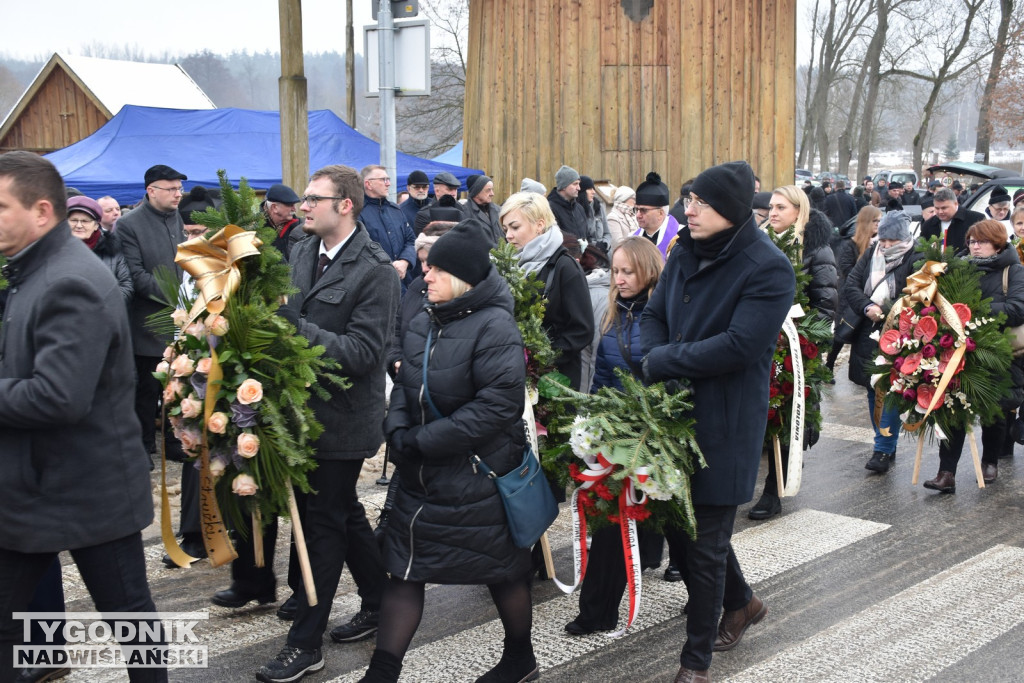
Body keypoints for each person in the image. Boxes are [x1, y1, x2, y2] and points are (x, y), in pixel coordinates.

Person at [0, 151, 165, 683]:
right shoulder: (33, 270)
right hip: (35, 486)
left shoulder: (68, 279)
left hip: (89, 488)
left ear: (41, 211)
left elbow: (57, 397)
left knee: (131, 621)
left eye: (1, 207)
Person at [358, 220, 536, 683]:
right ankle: (382, 673)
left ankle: (520, 659)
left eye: (435, 270)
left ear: (461, 278)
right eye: (424, 267)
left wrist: (422, 442)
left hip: (478, 476)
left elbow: (498, 406)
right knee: (405, 570)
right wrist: (396, 429)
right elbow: (406, 385)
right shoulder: (425, 319)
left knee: (501, 571)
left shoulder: (496, 325)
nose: (425, 277)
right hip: (421, 475)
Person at [640, 161, 794, 683]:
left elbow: (741, 345)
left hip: (722, 421)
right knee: (682, 533)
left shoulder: (768, 266)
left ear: (728, 208)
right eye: (688, 201)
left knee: (704, 546)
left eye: (700, 203)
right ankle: (744, 602)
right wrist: (653, 354)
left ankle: (695, 663)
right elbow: (654, 313)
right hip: (668, 415)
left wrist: (664, 360)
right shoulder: (683, 249)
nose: (689, 210)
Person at [253, 165, 400, 683]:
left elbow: (363, 355)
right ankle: (381, 598)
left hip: (341, 420)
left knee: (322, 526)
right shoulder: (299, 251)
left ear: (346, 206)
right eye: (304, 198)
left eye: (315, 198)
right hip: (296, 414)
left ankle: (306, 643)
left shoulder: (375, 270)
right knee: (342, 513)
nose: (303, 205)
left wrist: (299, 328)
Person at [565, 237, 673, 636]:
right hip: (616, 430)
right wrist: (591, 421)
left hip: (657, 431)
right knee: (611, 520)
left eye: (628, 271)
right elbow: (603, 373)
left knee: (680, 526)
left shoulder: (665, 314)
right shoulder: (613, 312)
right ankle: (597, 611)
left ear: (648, 271)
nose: (620, 279)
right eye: (615, 271)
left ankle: (727, 598)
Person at [748, 186, 838, 520]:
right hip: (758, 341)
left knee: (785, 418)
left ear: (798, 211)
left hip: (795, 345)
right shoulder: (759, 242)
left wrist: (803, 340)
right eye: (770, 207)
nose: (772, 213)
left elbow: (826, 304)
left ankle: (774, 490)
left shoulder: (816, 249)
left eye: (780, 207)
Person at [923, 220, 1024, 492]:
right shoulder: (961, 268)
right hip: (957, 348)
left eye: (981, 241)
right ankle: (947, 473)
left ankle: (990, 460)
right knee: (953, 407)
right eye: (971, 241)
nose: (974, 246)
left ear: (998, 243)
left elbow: (1017, 308)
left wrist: (974, 311)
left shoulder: (1013, 271)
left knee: (995, 411)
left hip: (997, 351)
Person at [117, 164, 188, 457]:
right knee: (146, 390)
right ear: (151, 191)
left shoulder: (177, 218)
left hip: (181, 319)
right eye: (171, 189)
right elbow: (135, 274)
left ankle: (174, 443)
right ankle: (143, 446)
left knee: (177, 385)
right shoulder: (129, 224)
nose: (178, 194)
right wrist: (177, 295)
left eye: (179, 189)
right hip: (148, 322)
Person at [844, 208, 919, 474]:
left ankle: (883, 449)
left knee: (889, 389)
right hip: (868, 329)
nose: (885, 246)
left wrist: (888, 312)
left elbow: (918, 296)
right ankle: (885, 440)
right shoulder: (871, 252)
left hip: (899, 333)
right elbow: (851, 284)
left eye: (891, 242)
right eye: (883, 240)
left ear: (904, 239)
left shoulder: (917, 256)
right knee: (870, 387)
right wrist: (867, 307)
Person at [500, 191, 594, 390]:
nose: (508, 235)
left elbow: (582, 330)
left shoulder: (565, 267)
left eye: (515, 227)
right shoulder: (509, 266)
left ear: (539, 224)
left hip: (555, 381)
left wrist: (541, 358)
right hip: (513, 375)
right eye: (505, 228)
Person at [826, 205, 881, 373]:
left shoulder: (879, 243)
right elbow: (846, 269)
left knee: (862, 334)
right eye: (875, 221)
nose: (878, 224)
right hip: (849, 294)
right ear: (866, 222)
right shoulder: (850, 245)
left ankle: (858, 367)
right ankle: (829, 365)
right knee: (842, 332)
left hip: (870, 295)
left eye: (880, 221)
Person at [66, 195, 133, 305]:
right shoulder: (54, 251)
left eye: (85, 221)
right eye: (73, 220)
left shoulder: (112, 249)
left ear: (96, 225)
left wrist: (99, 307)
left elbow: (126, 285)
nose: (79, 225)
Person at [360, 165, 417, 289]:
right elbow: (360, 250)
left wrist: (404, 261)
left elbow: (411, 240)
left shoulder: (396, 210)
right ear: (368, 184)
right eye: (383, 180)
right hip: (375, 286)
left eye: (388, 179)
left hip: (403, 284)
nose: (388, 184)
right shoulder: (357, 213)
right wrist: (389, 268)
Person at [631, 172, 680, 259]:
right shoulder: (632, 238)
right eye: (636, 209)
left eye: (643, 210)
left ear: (660, 213)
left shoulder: (679, 239)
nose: (638, 215)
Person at [920, 187, 986, 251]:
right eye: (937, 208)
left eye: (944, 208)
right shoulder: (928, 225)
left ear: (955, 204)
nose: (940, 212)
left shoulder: (976, 220)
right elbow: (921, 249)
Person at [263, 183, 304, 260]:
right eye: (290, 205)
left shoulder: (301, 227)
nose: (294, 209)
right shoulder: (255, 229)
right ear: (274, 207)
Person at [547, 165, 588, 239]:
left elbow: (587, 235)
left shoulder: (579, 208)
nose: (579, 188)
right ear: (564, 186)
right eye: (575, 184)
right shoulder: (550, 209)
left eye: (579, 184)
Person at [461, 174, 503, 244]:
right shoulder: (464, 213)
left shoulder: (498, 210)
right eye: (488, 190)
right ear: (476, 192)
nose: (492, 194)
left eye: (492, 189)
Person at [579, 175, 611, 251]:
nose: (593, 192)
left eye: (593, 188)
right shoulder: (577, 210)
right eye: (590, 189)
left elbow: (607, 233)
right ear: (582, 191)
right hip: (589, 253)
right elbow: (580, 238)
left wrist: (605, 244)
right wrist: (595, 245)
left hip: (605, 253)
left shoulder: (599, 207)